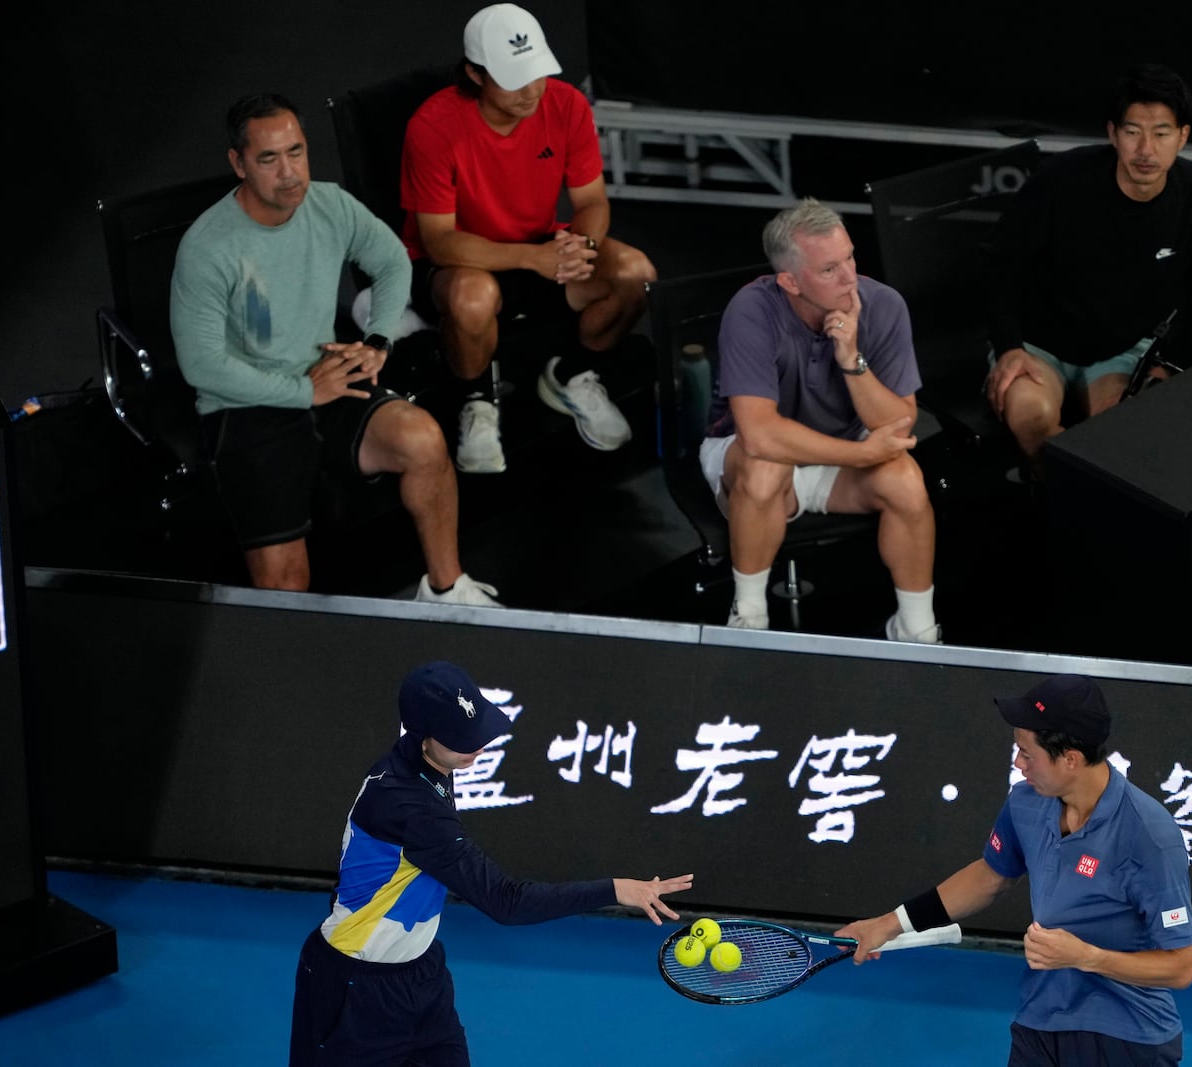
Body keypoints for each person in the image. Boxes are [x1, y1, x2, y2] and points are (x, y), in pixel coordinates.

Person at [171, 93, 500, 606]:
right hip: (248, 405)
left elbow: (393, 262)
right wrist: (303, 390)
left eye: (296, 152)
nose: (289, 173)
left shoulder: (330, 204)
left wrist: (377, 340)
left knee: (424, 441)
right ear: (238, 164)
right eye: (268, 158)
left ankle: (445, 589)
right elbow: (202, 366)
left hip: (326, 378)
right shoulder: (207, 247)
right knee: (285, 585)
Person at [288, 660, 693, 1065]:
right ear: (424, 735)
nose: (477, 746)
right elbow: (506, 902)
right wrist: (616, 890)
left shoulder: (425, 761)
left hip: (421, 971)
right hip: (355, 988)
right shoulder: (410, 806)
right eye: (460, 738)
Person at [837, 674, 1192, 1065]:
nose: (1018, 763)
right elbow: (989, 877)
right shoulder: (1027, 803)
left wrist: (1086, 956)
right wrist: (887, 925)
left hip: (1126, 1035)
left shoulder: (1148, 836)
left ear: (1070, 759)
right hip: (1039, 1021)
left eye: (1028, 754)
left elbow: (1180, 967)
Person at [400, 3, 657, 473]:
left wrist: (584, 248)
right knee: (473, 297)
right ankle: (475, 402)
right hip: (461, 262)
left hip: (541, 246)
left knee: (636, 274)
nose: (532, 90)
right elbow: (438, 240)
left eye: (537, 73)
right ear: (475, 74)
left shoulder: (565, 104)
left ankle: (570, 375)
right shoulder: (432, 126)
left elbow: (592, 202)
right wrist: (533, 258)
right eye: (514, 79)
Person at [702, 198, 940, 643]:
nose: (850, 277)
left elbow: (900, 423)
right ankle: (749, 618)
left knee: (907, 481)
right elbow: (757, 434)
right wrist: (862, 452)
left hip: (839, 460)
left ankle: (917, 630)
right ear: (790, 281)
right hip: (744, 455)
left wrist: (851, 359)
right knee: (766, 464)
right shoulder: (751, 310)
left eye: (849, 257)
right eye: (829, 269)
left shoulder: (883, 304)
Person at [983, 63, 1192, 477]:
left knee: (1123, 433)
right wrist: (1008, 345)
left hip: (1124, 349)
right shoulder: (1060, 180)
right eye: (1133, 131)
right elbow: (1000, 263)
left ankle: (1085, 506)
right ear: (1112, 133)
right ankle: (1050, 495)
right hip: (1038, 344)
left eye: (1161, 133)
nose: (1145, 151)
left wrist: (1165, 367)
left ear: (1183, 137)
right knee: (1031, 418)